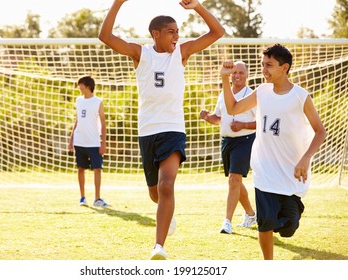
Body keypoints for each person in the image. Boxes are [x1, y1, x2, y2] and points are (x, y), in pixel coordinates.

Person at [99, 0, 225, 259]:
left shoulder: (182, 53)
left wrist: (197, 7)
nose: (177, 36)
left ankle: (158, 246)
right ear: (155, 34)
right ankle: (168, 216)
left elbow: (217, 32)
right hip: (147, 131)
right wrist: (118, 3)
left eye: (178, 31)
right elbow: (105, 36)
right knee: (155, 192)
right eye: (171, 31)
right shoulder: (140, 53)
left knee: (166, 186)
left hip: (173, 129)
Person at [220, 44, 326, 260]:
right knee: (265, 224)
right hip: (264, 171)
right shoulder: (262, 91)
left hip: (290, 172)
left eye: (269, 65)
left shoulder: (300, 96)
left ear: (284, 67)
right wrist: (224, 79)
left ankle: (292, 209)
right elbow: (232, 109)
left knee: (288, 228)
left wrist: (305, 159)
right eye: (262, 65)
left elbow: (320, 131)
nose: (264, 70)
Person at [200, 61, 257, 234]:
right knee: (235, 181)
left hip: (245, 140)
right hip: (227, 141)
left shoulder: (252, 96)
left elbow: (261, 122)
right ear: (230, 75)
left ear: (247, 75)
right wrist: (207, 117)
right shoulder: (223, 94)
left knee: (234, 179)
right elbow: (218, 118)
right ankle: (251, 214)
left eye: (241, 72)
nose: (237, 75)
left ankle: (227, 222)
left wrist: (243, 125)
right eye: (234, 73)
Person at [68, 76, 109, 208]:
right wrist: (71, 139)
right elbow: (77, 120)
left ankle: (97, 198)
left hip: (94, 142)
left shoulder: (98, 102)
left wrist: (103, 143)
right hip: (80, 141)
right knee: (80, 169)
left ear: (87, 86)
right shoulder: (78, 101)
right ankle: (82, 197)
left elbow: (103, 123)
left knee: (97, 169)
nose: (79, 87)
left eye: (81, 85)